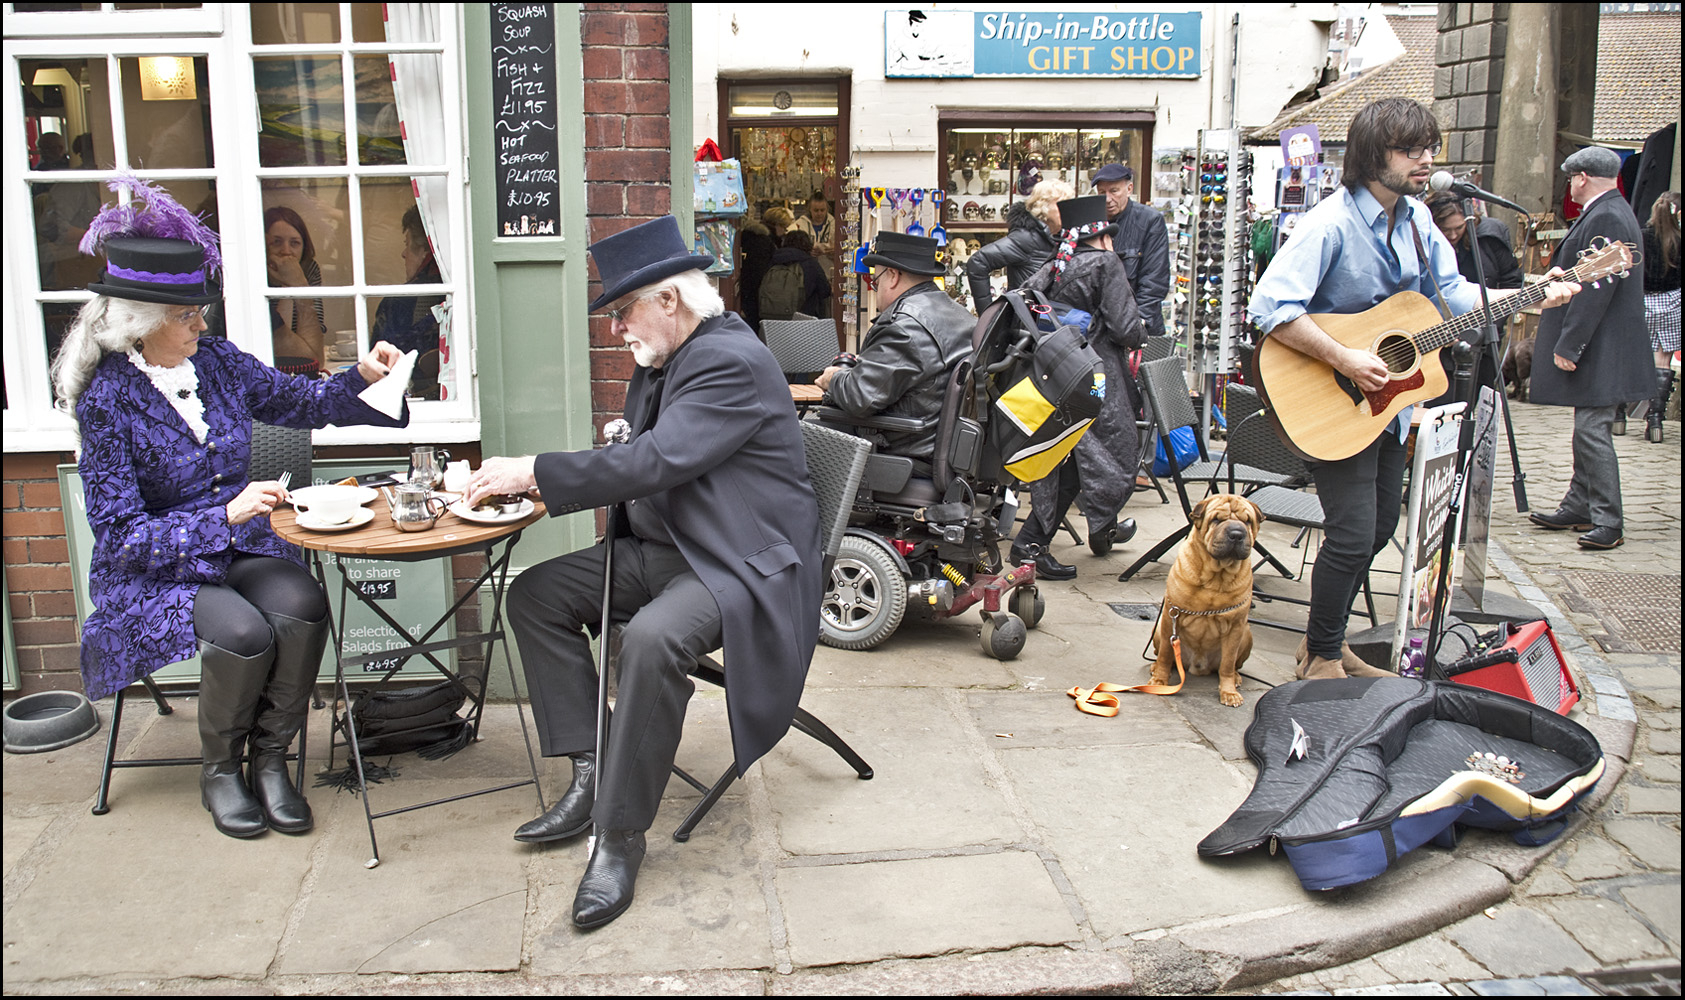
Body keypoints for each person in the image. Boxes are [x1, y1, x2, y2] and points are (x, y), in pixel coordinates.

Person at [467, 216, 821, 930]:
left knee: (652, 639)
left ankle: (619, 837)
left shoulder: (730, 360)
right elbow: (644, 455)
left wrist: (534, 473)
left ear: (668, 300)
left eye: (622, 308)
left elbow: (656, 461)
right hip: (673, 548)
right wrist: (550, 483)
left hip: (735, 560)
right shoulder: (666, 356)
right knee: (537, 594)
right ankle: (594, 768)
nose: (615, 326)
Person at [52, 178, 407, 839]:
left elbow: (298, 404)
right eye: (189, 316)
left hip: (236, 550)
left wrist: (362, 378)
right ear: (143, 320)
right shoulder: (108, 403)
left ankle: (272, 760)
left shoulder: (214, 362)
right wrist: (224, 515)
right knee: (244, 633)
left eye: (199, 312)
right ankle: (221, 771)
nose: (202, 324)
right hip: (152, 572)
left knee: (300, 600)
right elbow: (121, 536)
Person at [1248, 98, 1578, 680]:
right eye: (1412, 150)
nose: (1426, 161)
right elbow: (1271, 307)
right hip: (1330, 399)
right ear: (1376, 156)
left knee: (1377, 530)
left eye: (1430, 149)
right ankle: (1323, 655)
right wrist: (1346, 357)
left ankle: (1324, 642)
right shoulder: (1331, 223)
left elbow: (1451, 298)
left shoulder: (1419, 221)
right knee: (1351, 535)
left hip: (1388, 407)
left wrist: (1531, 292)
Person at [1012, 195, 1144, 580]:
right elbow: (1126, 329)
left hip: (1055, 378)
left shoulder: (1055, 266)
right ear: (1102, 236)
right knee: (1107, 455)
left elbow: (1025, 310)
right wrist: (1141, 331)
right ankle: (1032, 544)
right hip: (1096, 378)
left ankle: (1098, 530)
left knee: (1062, 455)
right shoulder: (1106, 264)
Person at [1528, 147, 1653, 549]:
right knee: (1587, 428)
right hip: (1605, 343)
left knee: (1591, 430)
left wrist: (1571, 343)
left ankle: (1608, 520)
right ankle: (1579, 505)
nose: (1569, 186)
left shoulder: (1608, 216)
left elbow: (1595, 290)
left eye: (1570, 179)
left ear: (1581, 177)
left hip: (1602, 344)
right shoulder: (1612, 212)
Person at [814, 231, 973, 467]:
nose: (874, 288)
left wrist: (833, 378)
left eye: (874, 281)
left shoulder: (905, 327)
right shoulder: (961, 316)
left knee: (794, 438)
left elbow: (860, 397)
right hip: (944, 449)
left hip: (904, 452)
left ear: (893, 275)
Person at [371, 206, 446, 398]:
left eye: (408, 244)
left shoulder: (400, 302)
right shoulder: (463, 293)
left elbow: (377, 363)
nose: (404, 254)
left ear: (425, 251)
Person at [964, 178, 1071, 307]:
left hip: (1055, 319)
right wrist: (987, 316)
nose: (1067, 208)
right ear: (1043, 206)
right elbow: (978, 262)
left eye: (1069, 203)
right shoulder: (1026, 238)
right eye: (1060, 203)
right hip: (1027, 320)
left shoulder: (1067, 237)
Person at [1093, 163, 1170, 338]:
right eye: (1101, 192)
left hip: (1139, 326)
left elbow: (1155, 279)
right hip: (1101, 328)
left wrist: (1137, 324)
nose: (1107, 198)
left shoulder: (1150, 220)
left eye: (1114, 191)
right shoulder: (1092, 221)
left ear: (1129, 189)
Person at [264, 205, 327, 374]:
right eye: (276, 242)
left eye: (294, 243)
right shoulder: (257, 279)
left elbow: (315, 360)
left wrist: (297, 283)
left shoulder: (308, 269)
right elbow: (282, 351)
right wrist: (290, 284)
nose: (286, 251)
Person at [1639, 191, 1680, 442]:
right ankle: (1654, 420)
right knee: (1662, 361)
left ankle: (1619, 416)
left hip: (1642, 302)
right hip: (1672, 303)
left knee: (1634, 355)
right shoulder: (1679, 239)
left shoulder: (1640, 237)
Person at [1422, 190, 1523, 289]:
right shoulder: (1422, 241)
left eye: (1459, 227)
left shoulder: (1490, 235)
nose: (1453, 236)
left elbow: (1511, 280)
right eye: (1445, 230)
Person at [736, 206, 792, 333]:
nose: (784, 232)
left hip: (748, 295)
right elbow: (759, 273)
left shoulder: (753, 237)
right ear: (777, 225)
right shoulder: (764, 242)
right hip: (756, 298)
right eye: (784, 227)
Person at [761, 227, 831, 322]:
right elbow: (825, 291)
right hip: (802, 320)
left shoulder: (773, 260)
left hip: (771, 319)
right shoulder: (810, 263)